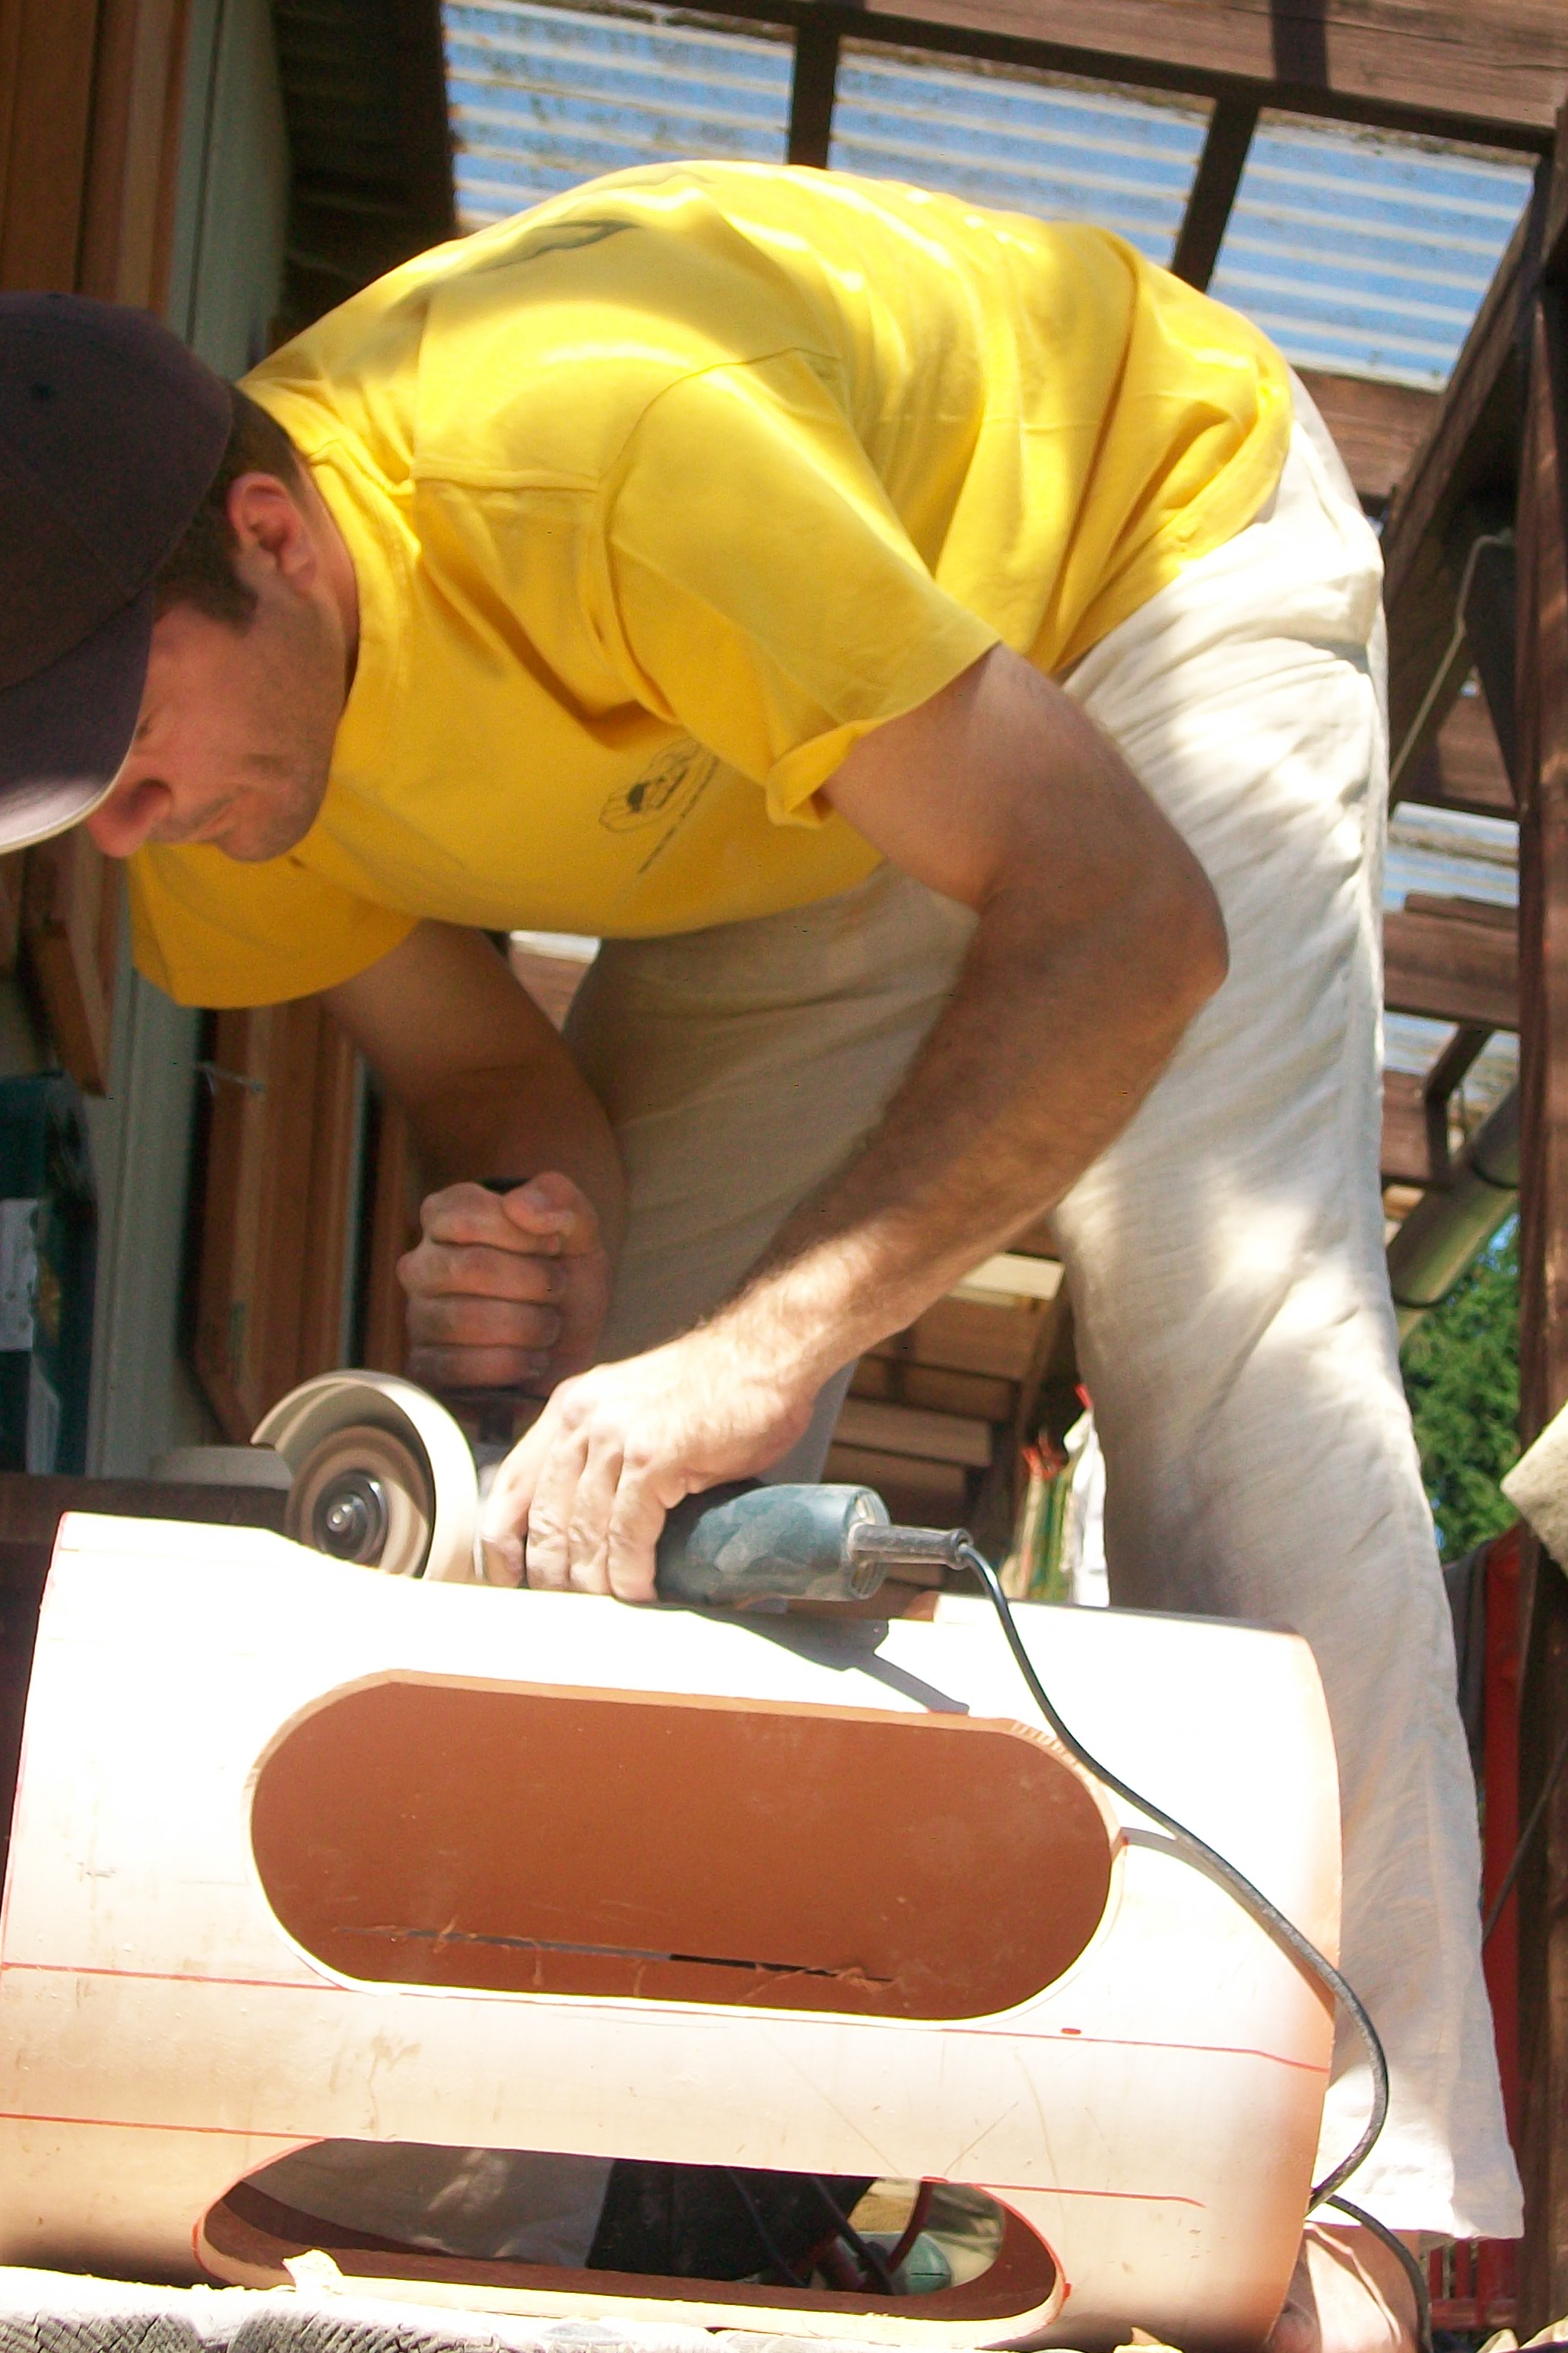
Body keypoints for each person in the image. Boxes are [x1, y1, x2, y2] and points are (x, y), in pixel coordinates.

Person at [0, 161, 1520, 2347]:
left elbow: (1123, 921)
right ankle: (458, 2199)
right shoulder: (223, 789)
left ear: (271, 540)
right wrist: (548, 1241)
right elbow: (501, 1096)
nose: (127, 829)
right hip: (812, 748)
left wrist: (758, 1353)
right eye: (76, 794)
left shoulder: (603, 452)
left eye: (125, 748)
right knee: (569, 1490)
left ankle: (1367, 2206)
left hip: (1134, 555)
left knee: (1227, 1323)